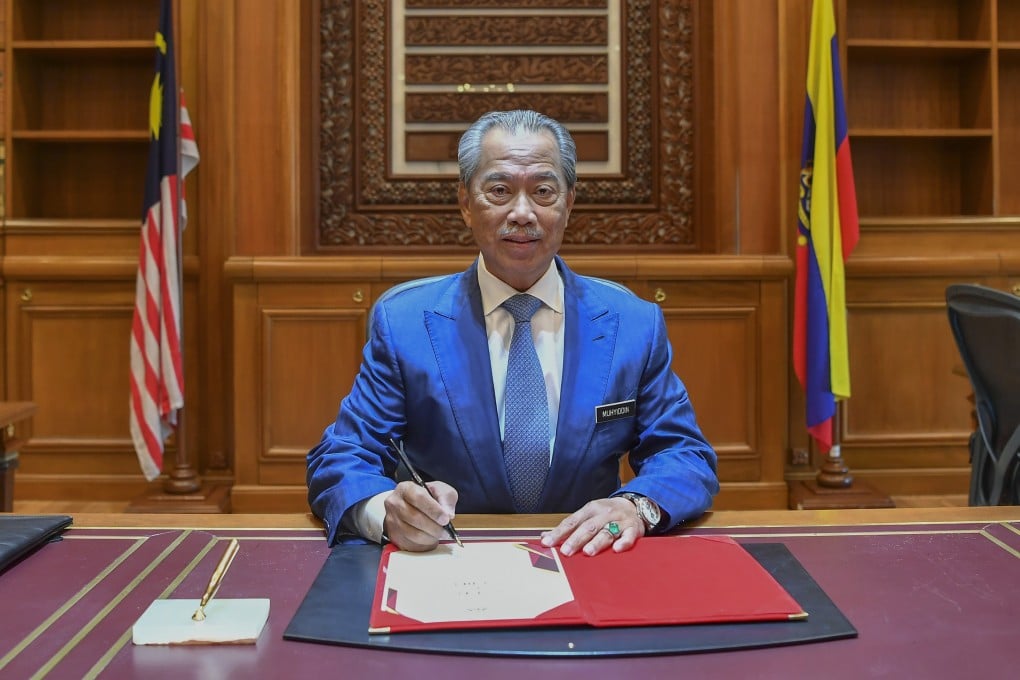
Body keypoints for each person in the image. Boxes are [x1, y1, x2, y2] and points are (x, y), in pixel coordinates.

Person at [307, 109, 718, 556]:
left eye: (543, 191)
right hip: (449, 561)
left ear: (569, 203)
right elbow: (343, 456)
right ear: (466, 203)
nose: (522, 213)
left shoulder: (633, 324)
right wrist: (386, 512)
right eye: (500, 191)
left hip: (585, 558)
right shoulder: (405, 324)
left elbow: (684, 454)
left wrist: (636, 506)